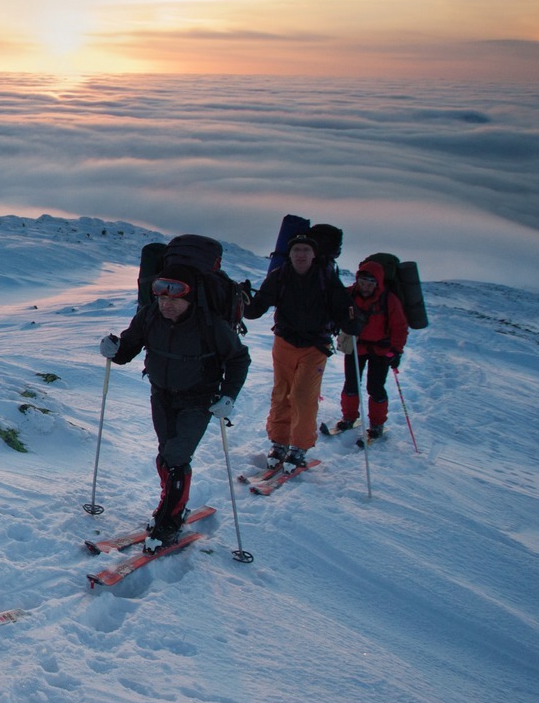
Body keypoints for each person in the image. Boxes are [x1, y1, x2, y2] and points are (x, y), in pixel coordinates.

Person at [100, 263, 250, 546]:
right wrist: (114, 350)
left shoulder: (210, 325)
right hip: (162, 394)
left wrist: (228, 395)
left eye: (174, 299)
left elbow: (239, 359)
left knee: (177, 457)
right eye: (162, 297)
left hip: (199, 399)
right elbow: (127, 349)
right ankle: (170, 506)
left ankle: (170, 518)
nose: (166, 304)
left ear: (189, 298)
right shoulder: (150, 316)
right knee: (165, 455)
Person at [244, 233, 356, 469]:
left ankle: (299, 447)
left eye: (306, 250)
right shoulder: (280, 276)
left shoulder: (326, 278)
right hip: (284, 342)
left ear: (314, 255)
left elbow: (341, 310)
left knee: (303, 397)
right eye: (296, 250)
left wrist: (352, 321)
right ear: (290, 254)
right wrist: (244, 301)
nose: (301, 254)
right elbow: (256, 309)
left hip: (315, 347)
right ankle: (279, 442)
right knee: (281, 393)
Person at [331, 259, 408, 439]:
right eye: (362, 283)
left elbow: (400, 327)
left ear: (378, 283)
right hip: (355, 347)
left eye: (369, 284)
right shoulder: (349, 294)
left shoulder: (389, 300)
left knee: (375, 387)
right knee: (351, 384)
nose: (365, 287)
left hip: (382, 350)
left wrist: (396, 351)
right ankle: (349, 417)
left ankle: (377, 424)